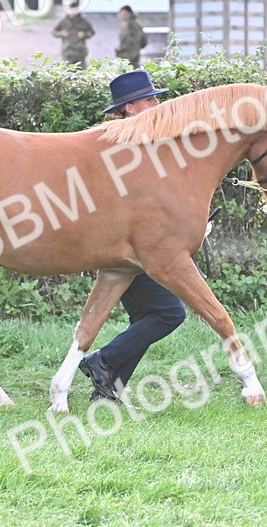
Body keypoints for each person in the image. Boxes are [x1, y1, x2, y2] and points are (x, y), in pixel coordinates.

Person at [79, 70, 187, 401]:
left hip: (134, 243)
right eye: (149, 100)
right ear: (130, 108)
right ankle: (102, 360)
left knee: (146, 315)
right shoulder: (119, 144)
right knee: (170, 313)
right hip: (124, 246)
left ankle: (107, 389)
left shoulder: (143, 140)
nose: (157, 104)